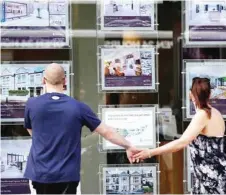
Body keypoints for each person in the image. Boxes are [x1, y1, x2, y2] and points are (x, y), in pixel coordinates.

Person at [24, 63, 140, 194]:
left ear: (43, 80)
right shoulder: (78, 107)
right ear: (65, 80)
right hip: (67, 175)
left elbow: (32, 132)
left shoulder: (31, 104)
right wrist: (128, 146)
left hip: (39, 173)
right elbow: (107, 132)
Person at [134, 77, 226, 194]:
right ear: (210, 94)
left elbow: (182, 142)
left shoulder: (203, 115)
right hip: (216, 176)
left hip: (211, 180)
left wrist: (150, 152)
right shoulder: (216, 113)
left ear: (190, 94)